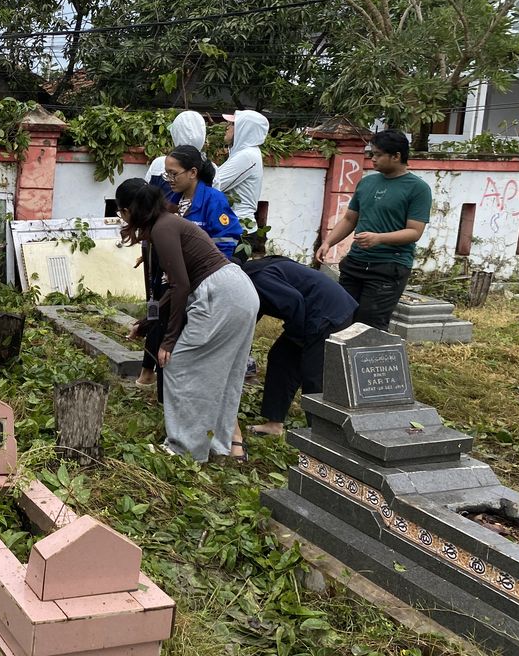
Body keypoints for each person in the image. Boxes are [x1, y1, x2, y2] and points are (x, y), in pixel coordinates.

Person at [118, 178, 258, 462]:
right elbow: (174, 288)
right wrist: (147, 323)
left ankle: (183, 449)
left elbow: (180, 286)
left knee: (178, 364)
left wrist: (168, 341)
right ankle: (217, 445)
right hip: (237, 290)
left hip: (219, 294)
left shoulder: (162, 228)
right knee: (224, 374)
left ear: (129, 210)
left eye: (121, 211)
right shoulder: (167, 222)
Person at [315, 129, 431, 331]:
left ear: (396, 156)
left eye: (378, 154)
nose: (372, 159)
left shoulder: (418, 188)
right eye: (372, 153)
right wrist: (328, 243)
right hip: (355, 262)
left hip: (388, 266)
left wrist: (379, 238)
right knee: (339, 319)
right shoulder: (367, 182)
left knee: (369, 326)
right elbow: (350, 219)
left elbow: (414, 231)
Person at [242, 256, 357, 437]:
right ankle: (274, 424)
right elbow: (249, 318)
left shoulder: (258, 279)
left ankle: (322, 435)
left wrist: (298, 339)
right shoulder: (254, 273)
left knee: (313, 375)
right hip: (313, 312)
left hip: (328, 313)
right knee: (281, 359)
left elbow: (294, 302)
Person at [136, 111, 207, 391]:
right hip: (191, 250)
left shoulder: (159, 163)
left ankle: (147, 370)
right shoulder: (204, 166)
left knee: (157, 303)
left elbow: (144, 202)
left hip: (161, 245)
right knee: (175, 305)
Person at [163, 145, 242, 259]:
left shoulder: (214, 200)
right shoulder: (173, 202)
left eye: (174, 174)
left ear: (193, 173)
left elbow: (226, 241)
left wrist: (212, 268)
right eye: (167, 174)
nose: (169, 179)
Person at [213, 109, 269, 253]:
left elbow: (214, 184)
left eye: (231, 124)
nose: (227, 127)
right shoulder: (243, 153)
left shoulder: (247, 156)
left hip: (239, 231)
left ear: (244, 129)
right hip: (234, 227)